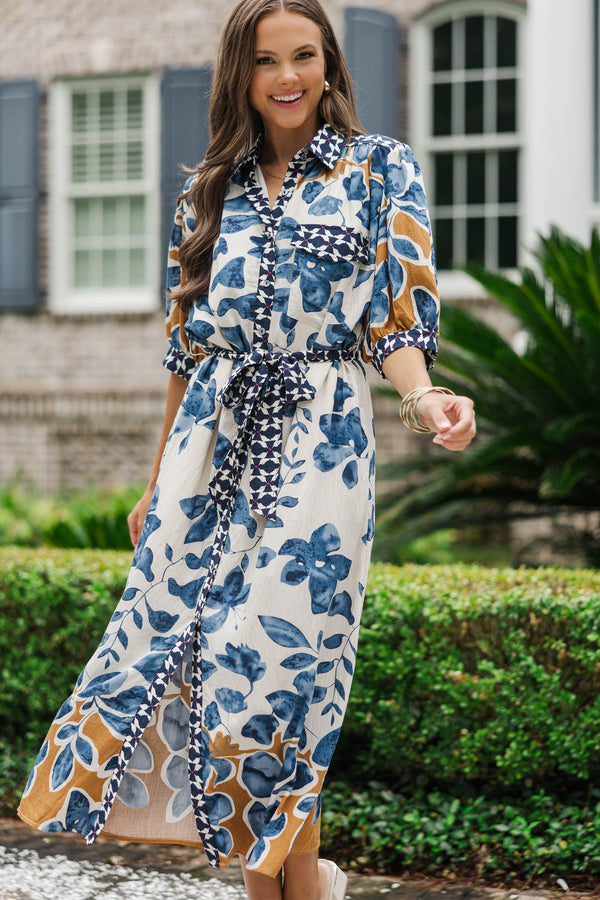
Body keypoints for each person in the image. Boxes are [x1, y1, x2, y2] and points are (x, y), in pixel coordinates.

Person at [18, 1, 476, 898]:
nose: (288, 78)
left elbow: (394, 321)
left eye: (304, 56)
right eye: (267, 62)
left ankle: (298, 888)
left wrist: (427, 400)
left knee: (281, 676)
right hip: (206, 454)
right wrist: (157, 484)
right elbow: (183, 354)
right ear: (242, 73)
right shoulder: (205, 192)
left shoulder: (380, 170)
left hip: (322, 447)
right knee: (194, 672)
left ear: (330, 62)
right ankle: (294, 888)